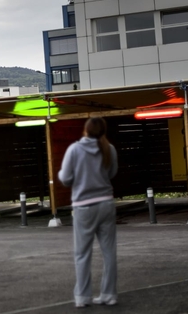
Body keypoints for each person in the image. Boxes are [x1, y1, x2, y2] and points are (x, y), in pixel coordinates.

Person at [58, 116, 119, 308]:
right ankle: (108, 295)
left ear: (85, 130)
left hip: (84, 207)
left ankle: (83, 297)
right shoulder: (109, 149)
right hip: (106, 204)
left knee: (82, 254)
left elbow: (66, 178)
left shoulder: (74, 149)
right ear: (103, 131)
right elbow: (112, 173)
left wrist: (64, 174)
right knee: (109, 252)